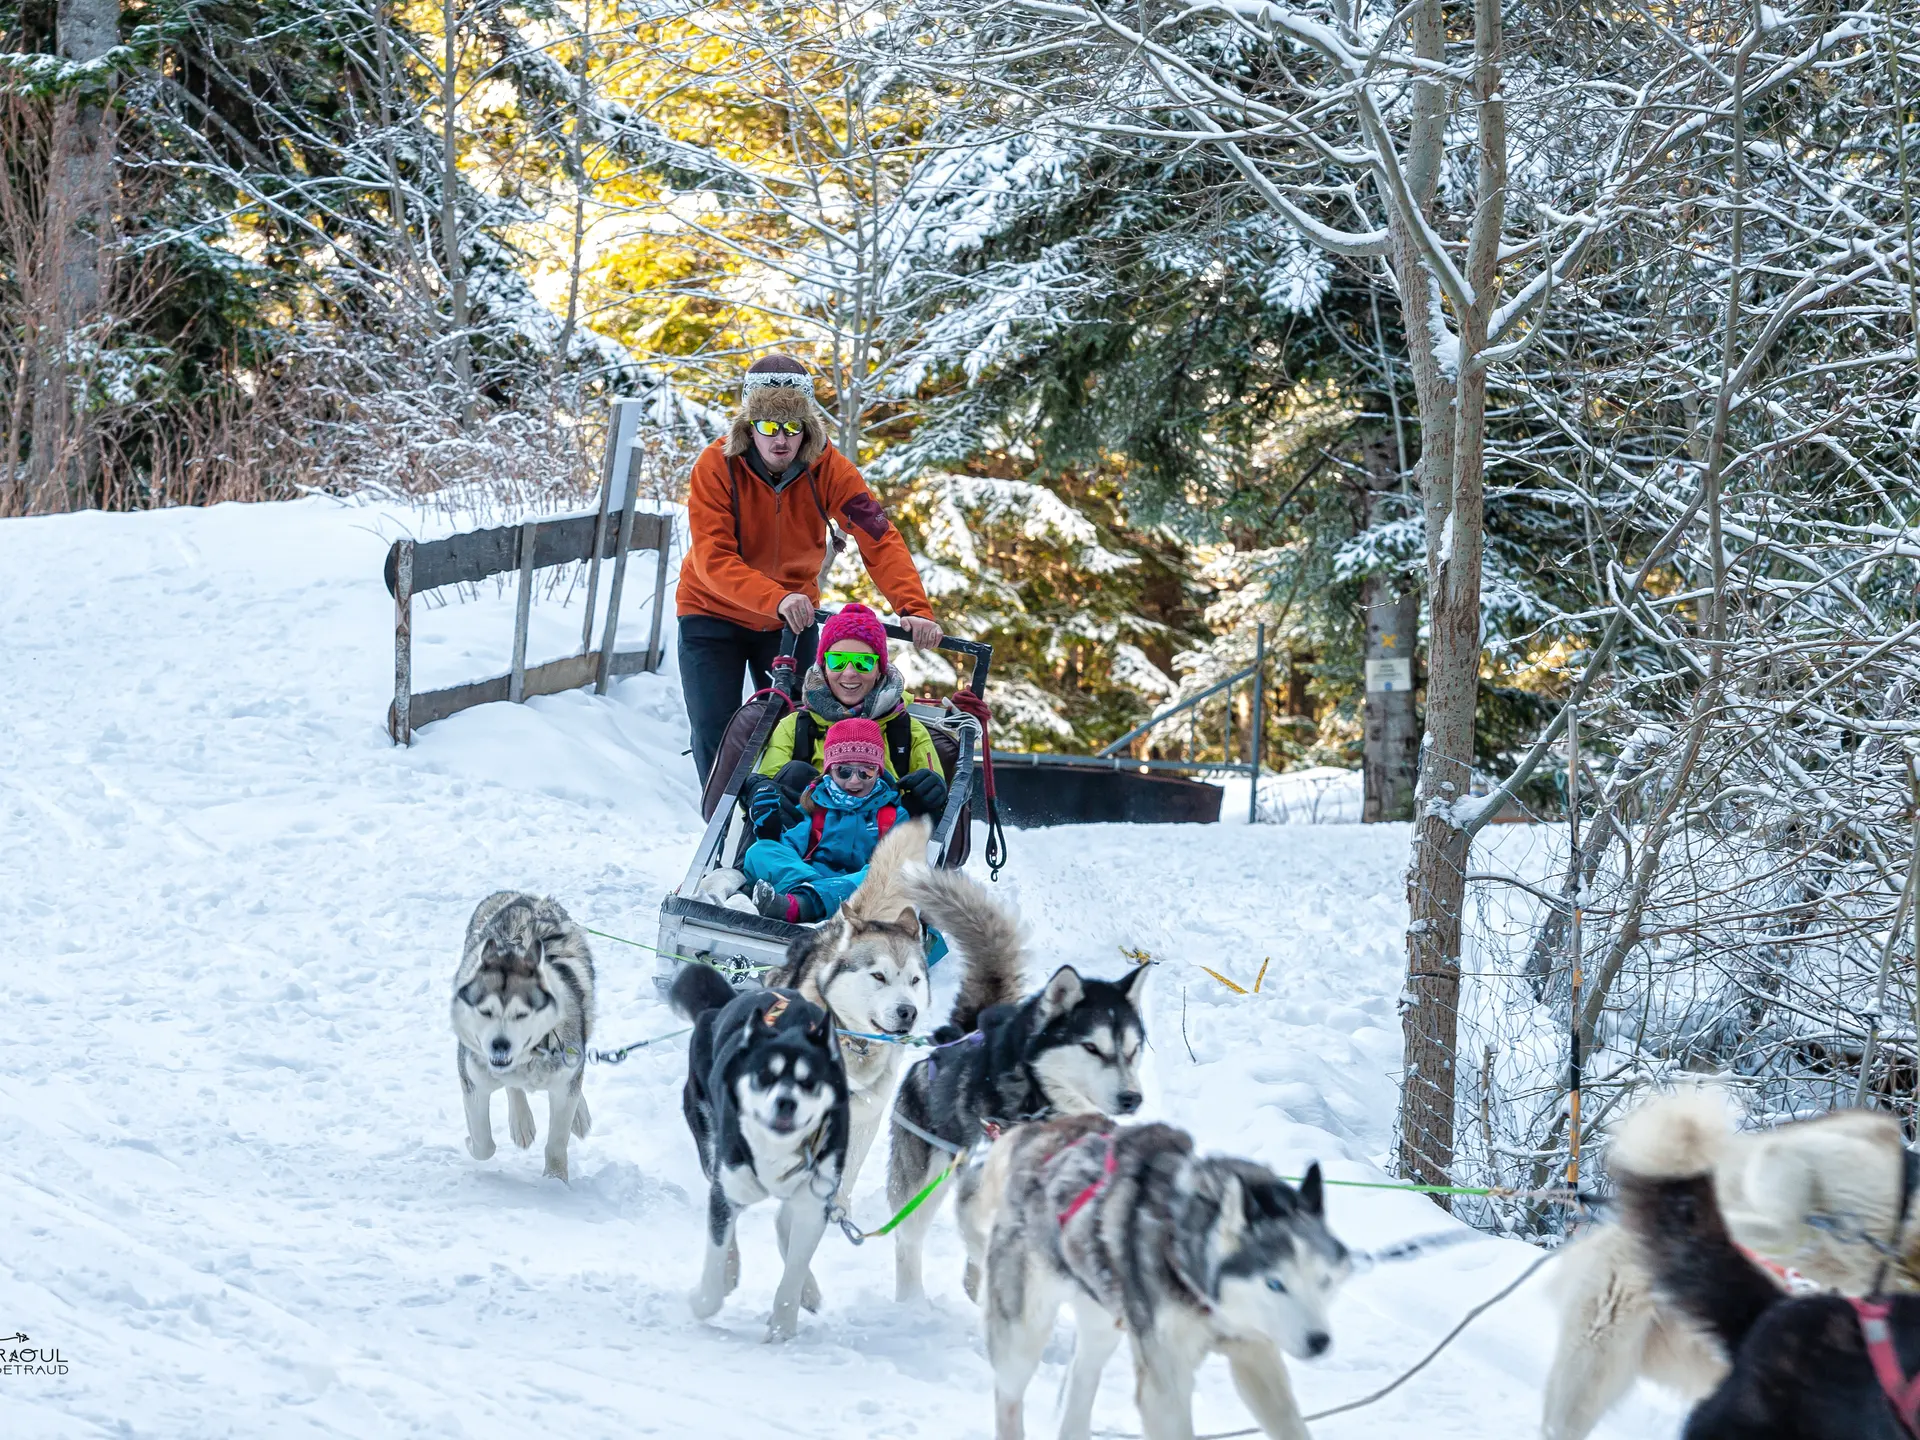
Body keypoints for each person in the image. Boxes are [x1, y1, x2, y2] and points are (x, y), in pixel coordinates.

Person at [677, 353, 944, 785]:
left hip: (792, 621)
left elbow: (877, 536)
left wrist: (914, 607)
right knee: (716, 729)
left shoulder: (831, 470)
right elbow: (713, 558)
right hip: (712, 612)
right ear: (749, 425)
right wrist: (776, 598)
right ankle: (725, 827)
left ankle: (795, 825)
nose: (779, 440)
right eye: (767, 426)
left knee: (799, 727)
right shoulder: (716, 465)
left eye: (792, 427)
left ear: (808, 427)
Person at [740, 719, 921, 923]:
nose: (854, 781)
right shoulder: (816, 804)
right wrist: (769, 832)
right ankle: (807, 900)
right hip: (808, 875)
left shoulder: (892, 815)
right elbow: (790, 845)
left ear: (878, 772)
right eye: (844, 771)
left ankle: (802, 904)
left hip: (856, 885)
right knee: (760, 851)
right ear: (829, 770)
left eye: (866, 772)